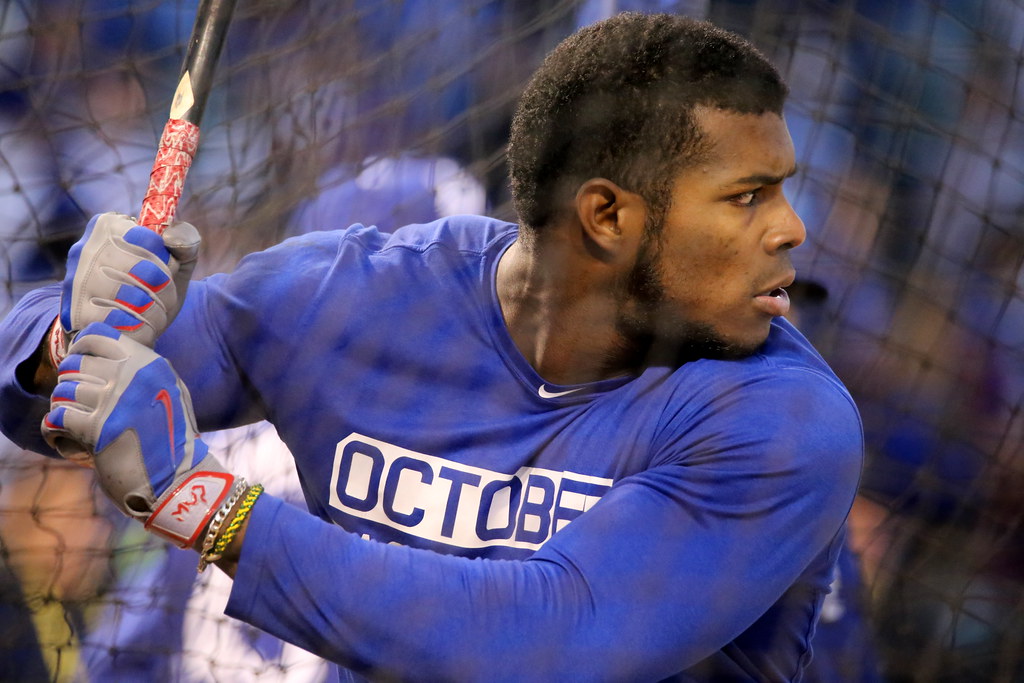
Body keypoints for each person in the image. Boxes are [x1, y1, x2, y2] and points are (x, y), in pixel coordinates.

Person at [0, 12, 862, 681]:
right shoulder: (357, 296)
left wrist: (206, 502)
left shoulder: (785, 417)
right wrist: (69, 334)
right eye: (748, 196)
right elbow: (66, 380)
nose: (793, 228)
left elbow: (543, 645)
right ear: (606, 216)